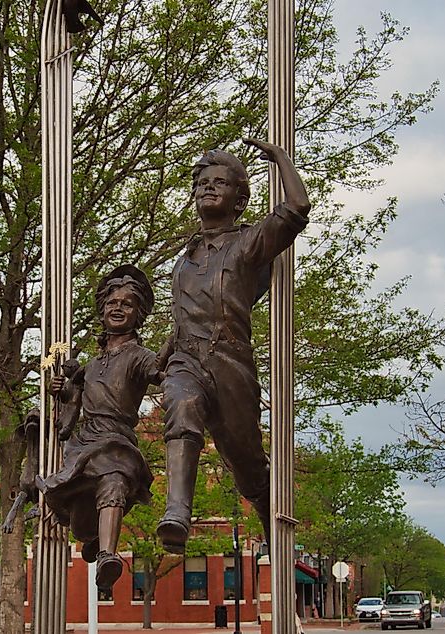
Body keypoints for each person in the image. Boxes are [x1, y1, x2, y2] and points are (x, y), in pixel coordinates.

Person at [157, 141, 311, 553]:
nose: (208, 188)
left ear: (239, 200)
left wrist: (280, 158)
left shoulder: (246, 244)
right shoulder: (183, 260)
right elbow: (181, 321)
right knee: (182, 404)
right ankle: (177, 513)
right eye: (202, 183)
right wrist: (158, 363)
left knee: (247, 468)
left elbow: (295, 210)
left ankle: (268, 518)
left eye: (220, 183)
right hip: (186, 360)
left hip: (230, 365)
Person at [37, 264, 162, 590]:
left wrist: (179, 342)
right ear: (101, 311)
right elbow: (70, 407)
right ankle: (94, 538)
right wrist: (61, 392)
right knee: (80, 511)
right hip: (85, 441)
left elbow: (163, 372)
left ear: (139, 314)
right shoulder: (90, 366)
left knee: (115, 478)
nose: (117, 308)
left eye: (127, 303)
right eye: (111, 303)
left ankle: (108, 554)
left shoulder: (139, 357)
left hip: (117, 438)